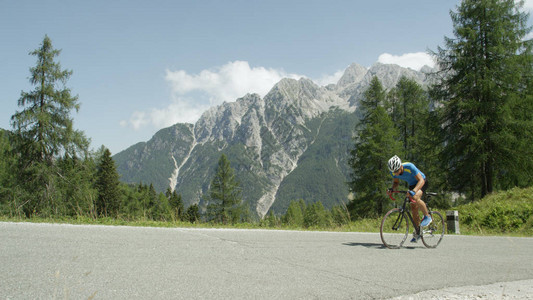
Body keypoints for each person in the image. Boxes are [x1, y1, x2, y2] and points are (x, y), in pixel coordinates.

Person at [386, 155, 432, 243]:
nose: (395, 173)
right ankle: (418, 231)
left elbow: (421, 180)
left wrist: (414, 191)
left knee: (415, 197)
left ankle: (427, 216)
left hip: (421, 181)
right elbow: (396, 182)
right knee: (413, 208)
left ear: (401, 166)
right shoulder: (393, 172)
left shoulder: (409, 166)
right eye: (393, 171)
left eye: (397, 171)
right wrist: (392, 189)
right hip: (412, 184)